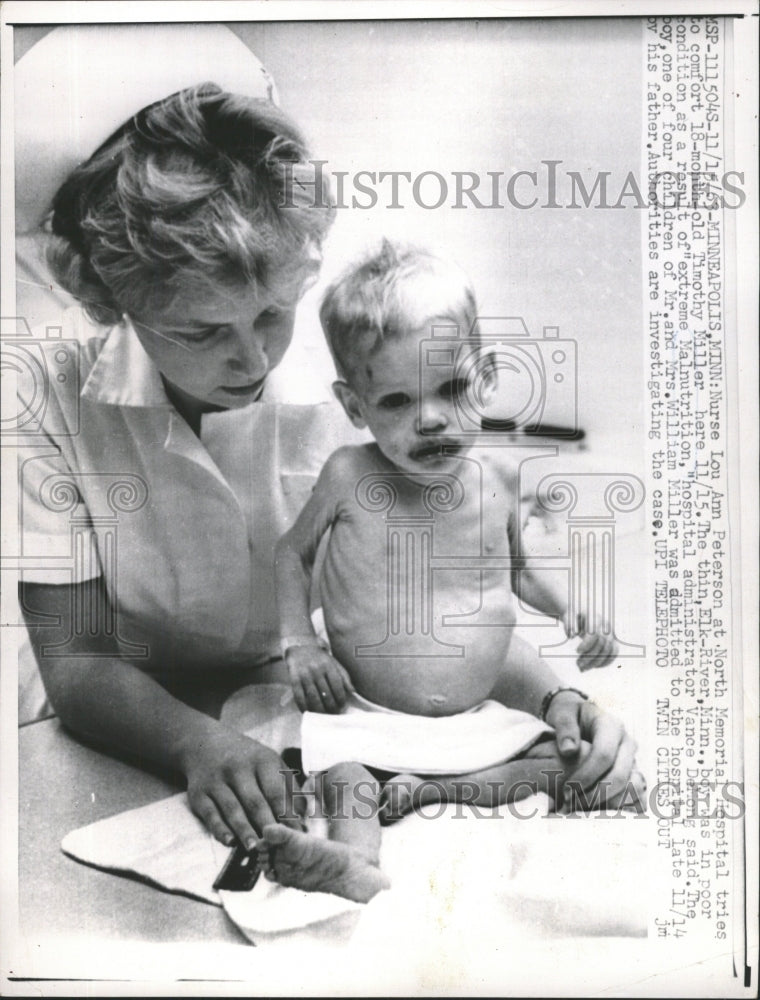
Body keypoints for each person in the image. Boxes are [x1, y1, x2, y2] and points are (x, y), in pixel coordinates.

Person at [17, 29, 640, 861]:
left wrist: (559, 701)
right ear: (106, 298)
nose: (251, 360)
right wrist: (194, 744)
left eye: (271, 313)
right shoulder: (42, 392)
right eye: (199, 330)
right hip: (128, 724)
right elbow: (79, 658)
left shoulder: (373, 387)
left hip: (318, 708)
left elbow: (442, 610)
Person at [259, 241, 645, 902]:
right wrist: (301, 644)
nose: (431, 417)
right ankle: (355, 863)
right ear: (354, 408)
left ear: (486, 375)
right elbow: (286, 555)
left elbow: (520, 571)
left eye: (451, 389)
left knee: (562, 761)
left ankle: (432, 793)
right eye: (397, 401)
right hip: (367, 704)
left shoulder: (495, 476)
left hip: (477, 708)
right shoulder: (349, 477)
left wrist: (572, 610)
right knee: (344, 774)